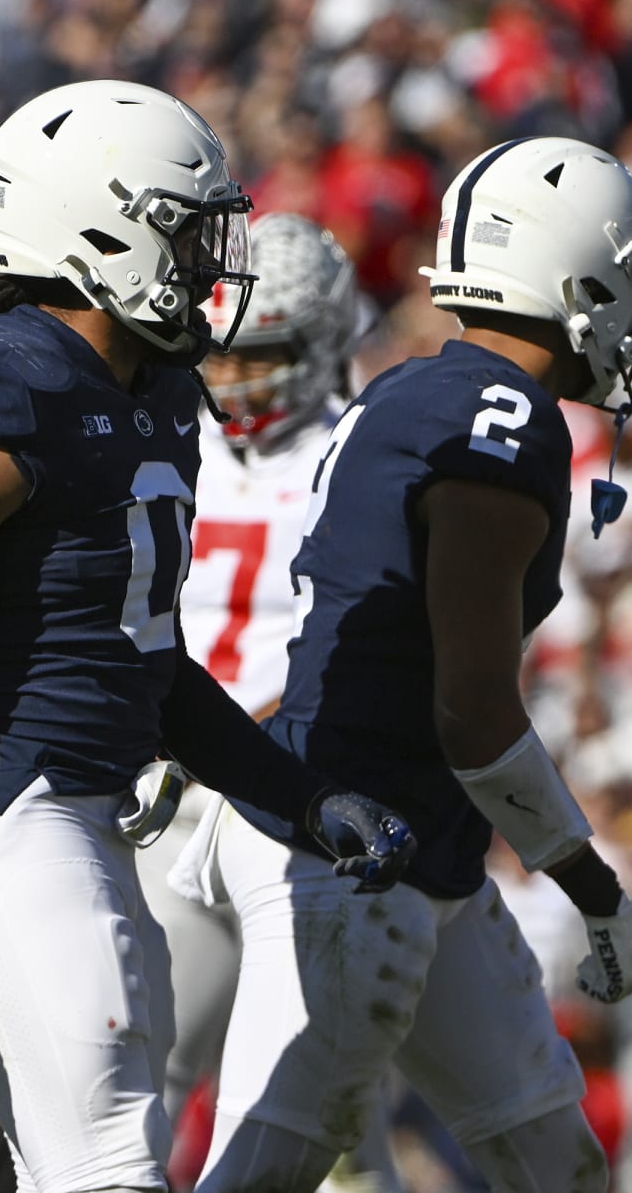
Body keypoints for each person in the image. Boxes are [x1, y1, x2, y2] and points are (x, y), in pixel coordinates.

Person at [0, 80, 415, 1193]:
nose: (208, 264)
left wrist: (298, 794)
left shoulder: (160, 388)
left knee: (66, 1167)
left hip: (80, 815)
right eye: (185, 234)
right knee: (112, 1170)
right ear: (100, 229)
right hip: (3, 812)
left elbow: (145, 661)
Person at [185, 135, 632, 1193]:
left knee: (556, 1162)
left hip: (411, 837)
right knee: (262, 1174)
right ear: (574, 278)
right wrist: (594, 890)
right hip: (357, 850)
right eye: (624, 283)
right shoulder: (499, 423)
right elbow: (474, 718)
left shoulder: (413, 389)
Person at [130, 211, 401, 1191]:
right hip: (174, 798)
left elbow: (378, 645)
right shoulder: (169, 435)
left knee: (328, 1109)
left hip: (299, 803)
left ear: (321, 340)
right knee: (142, 1067)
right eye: (225, 352)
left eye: (266, 353)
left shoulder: (358, 456)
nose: (236, 377)